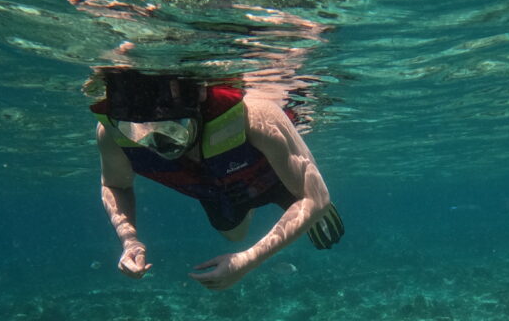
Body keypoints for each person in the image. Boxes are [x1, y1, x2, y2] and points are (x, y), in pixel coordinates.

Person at [87, 68, 343, 290]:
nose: (156, 144)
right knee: (235, 236)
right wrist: (129, 240)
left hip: (273, 176)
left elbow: (314, 197)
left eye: (170, 130)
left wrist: (248, 260)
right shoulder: (111, 135)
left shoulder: (256, 115)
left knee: (316, 205)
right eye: (136, 132)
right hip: (218, 190)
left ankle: (297, 199)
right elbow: (115, 184)